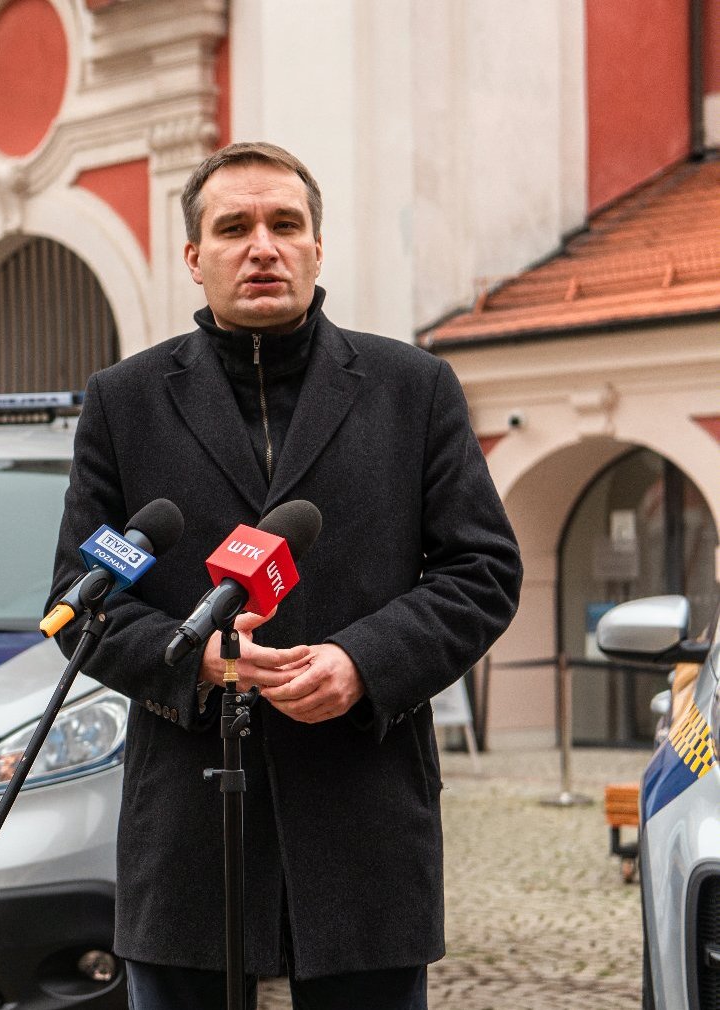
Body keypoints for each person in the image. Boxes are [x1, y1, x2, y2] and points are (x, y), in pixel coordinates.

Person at [50, 142, 522, 1009]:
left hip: (363, 815)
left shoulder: (411, 389)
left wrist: (364, 662)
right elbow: (81, 609)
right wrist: (193, 660)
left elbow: (481, 569)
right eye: (233, 227)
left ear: (316, 247)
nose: (261, 245)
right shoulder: (126, 401)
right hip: (187, 834)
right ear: (194, 259)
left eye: (284, 225)